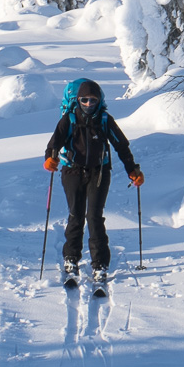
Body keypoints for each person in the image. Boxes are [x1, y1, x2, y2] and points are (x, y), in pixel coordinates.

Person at [42, 78, 143, 285]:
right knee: (76, 215)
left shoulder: (105, 120)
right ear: (78, 100)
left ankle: (100, 264)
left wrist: (132, 170)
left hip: (99, 173)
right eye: (84, 100)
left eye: (93, 100)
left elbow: (121, 146)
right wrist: (50, 159)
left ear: (100, 100)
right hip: (72, 172)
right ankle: (71, 258)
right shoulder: (69, 120)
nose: (88, 104)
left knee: (94, 216)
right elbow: (54, 143)